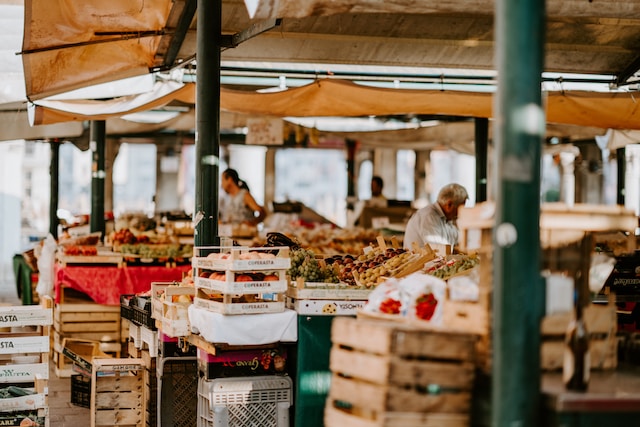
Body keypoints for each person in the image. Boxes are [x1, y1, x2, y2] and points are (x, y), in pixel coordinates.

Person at [403, 183, 469, 250]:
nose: (461, 212)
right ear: (449, 205)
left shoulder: (445, 219)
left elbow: (458, 237)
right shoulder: (429, 217)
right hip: (423, 260)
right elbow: (440, 251)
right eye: (460, 208)